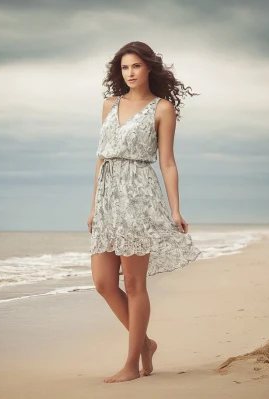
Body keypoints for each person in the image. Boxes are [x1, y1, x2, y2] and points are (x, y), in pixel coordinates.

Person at [87, 41, 201, 383]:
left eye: (136, 66)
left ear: (149, 67)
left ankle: (131, 363)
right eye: (124, 67)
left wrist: (175, 209)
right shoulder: (109, 104)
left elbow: (167, 161)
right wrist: (94, 206)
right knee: (104, 282)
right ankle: (147, 344)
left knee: (135, 283)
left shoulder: (162, 108)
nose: (130, 73)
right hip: (108, 198)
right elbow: (102, 158)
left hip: (139, 197)